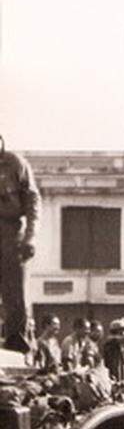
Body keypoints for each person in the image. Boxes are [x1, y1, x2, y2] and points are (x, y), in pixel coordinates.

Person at [0, 136, 40, 354]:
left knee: (14, 290)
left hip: (11, 230)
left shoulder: (15, 164)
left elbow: (33, 202)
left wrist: (30, 237)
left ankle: (17, 340)